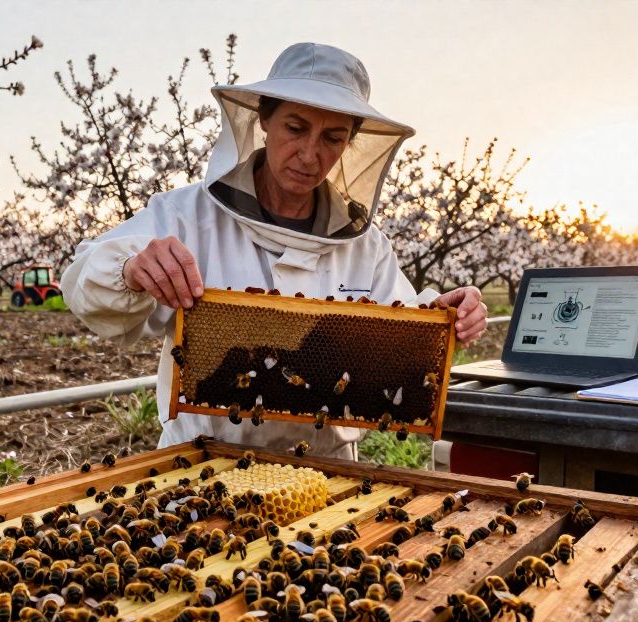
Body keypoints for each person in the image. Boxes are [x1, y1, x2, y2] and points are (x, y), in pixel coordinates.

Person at [63, 42, 488, 459]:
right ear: (264, 118)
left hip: (327, 472)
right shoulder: (185, 216)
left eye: (333, 138)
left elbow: (401, 319)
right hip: (203, 461)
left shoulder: (366, 244)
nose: (309, 154)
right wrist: (131, 269)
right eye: (296, 128)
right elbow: (84, 281)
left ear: (349, 143)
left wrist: (442, 312)